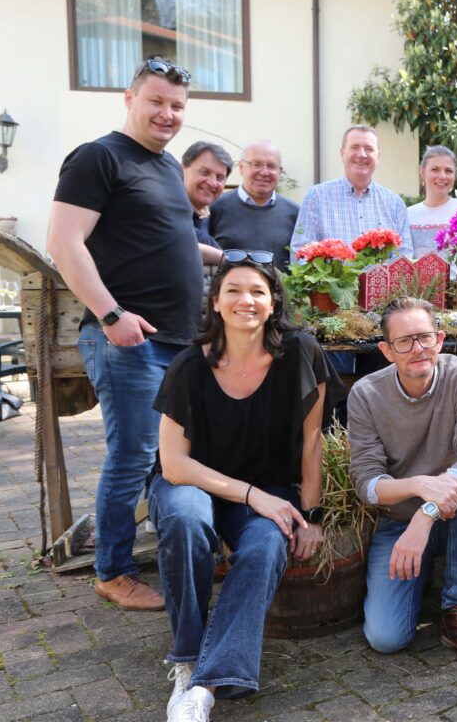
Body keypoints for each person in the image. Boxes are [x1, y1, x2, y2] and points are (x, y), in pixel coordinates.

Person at [47, 57, 215, 611]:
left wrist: (233, 257)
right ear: (129, 98)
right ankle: (113, 570)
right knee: (134, 456)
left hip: (176, 341)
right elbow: (64, 241)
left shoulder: (165, 167)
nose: (167, 114)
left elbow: (171, 239)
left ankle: (179, 550)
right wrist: (111, 314)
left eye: (177, 106)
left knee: (172, 456)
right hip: (130, 340)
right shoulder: (99, 157)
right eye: (157, 101)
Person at [150, 251, 332, 721]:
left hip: (270, 488)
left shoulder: (302, 354)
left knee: (267, 545)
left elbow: (312, 440)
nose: (245, 300)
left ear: (273, 303)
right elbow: (174, 465)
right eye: (233, 290)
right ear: (215, 301)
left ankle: (203, 687)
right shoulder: (189, 367)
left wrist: (311, 515)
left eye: (257, 291)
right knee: (187, 519)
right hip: (194, 484)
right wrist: (252, 495)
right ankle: (187, 660)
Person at [346, 297, 457, 667]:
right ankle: (422, 570)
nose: (417, 349)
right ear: (386, 350)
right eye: (404, 341)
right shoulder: (366, 394)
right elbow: (366, 483)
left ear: (440, 339)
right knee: (386, 638)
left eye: (425, 337)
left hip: (453, 514)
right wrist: (417, 486)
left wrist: (426, 513)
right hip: (398, 522)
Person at [289, 125, 413, 260]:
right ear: (342, 154)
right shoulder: (316, 197)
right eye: (355, 147)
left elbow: (404, 257)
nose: (362, 154)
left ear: (378, 156)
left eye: (369, 148)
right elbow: (300, 253)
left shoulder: (395, 204)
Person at [209, 140, 300, 272]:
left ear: (280, 171)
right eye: (256, 164)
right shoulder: (215, 207)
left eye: (271, 166)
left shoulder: (295, 214)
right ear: (241, 167)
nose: (264, 172)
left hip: (278, 286)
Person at [406, 145, 457, 262]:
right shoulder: (407, 214)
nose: (442, 176)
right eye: (435, 169)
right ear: (422, 172)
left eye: (448, 171)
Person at [182, 141, 232, 250]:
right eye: (204, 172)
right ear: (182, 169)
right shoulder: (166, 209)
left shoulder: (206, 215)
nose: (213, 183)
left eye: (220, 177)